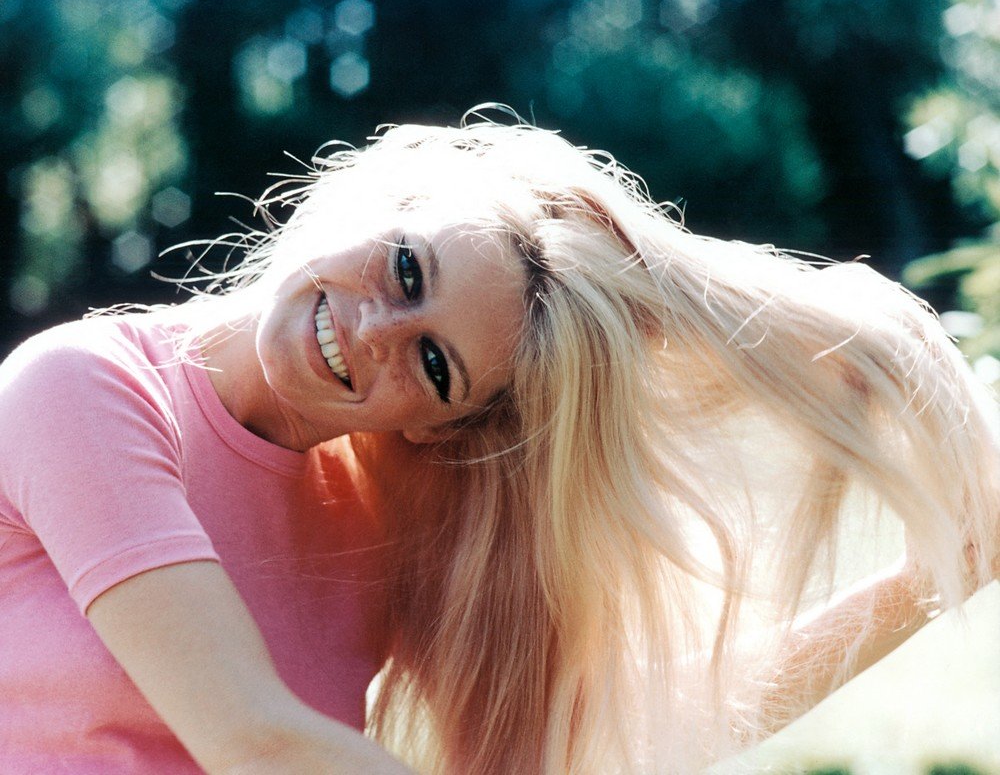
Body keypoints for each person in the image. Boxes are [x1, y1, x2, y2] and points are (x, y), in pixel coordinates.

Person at [0, 106, 997, 774]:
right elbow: (253, 740)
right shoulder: (83, 389)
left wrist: (935, 572)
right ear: (377, 202)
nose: (376, 332)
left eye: (435, 364)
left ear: (440, 424)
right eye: (406, 268)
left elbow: (642, 722)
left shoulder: (378, 511)